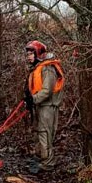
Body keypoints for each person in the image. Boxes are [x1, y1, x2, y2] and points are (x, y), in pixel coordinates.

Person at [24, 40, 65, 174]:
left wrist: (33, 99)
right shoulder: (38, 67)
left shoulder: (48, 68)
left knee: (45, 133)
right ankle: (40, 157)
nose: (28, 57)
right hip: (40, 105)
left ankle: (48, 163)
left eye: (31, 54)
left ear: (38, 54)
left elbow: (47, 90)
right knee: (38, 132)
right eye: (28, 54)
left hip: (47, 106)